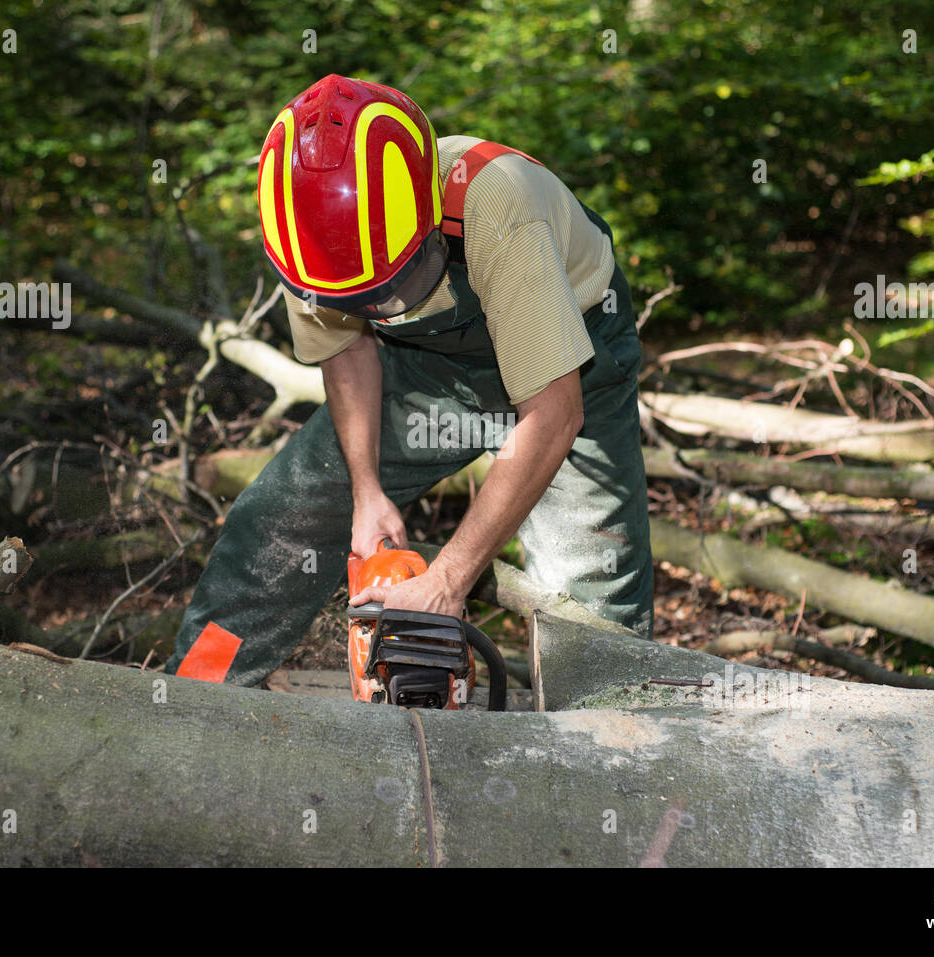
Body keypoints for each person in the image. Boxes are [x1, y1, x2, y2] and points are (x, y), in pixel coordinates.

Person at [166, 74, 653, 685]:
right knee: (275, 522)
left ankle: (615, 748)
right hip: (420, 368)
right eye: (362, 300)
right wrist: (366, 491)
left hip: (575, 357)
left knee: (589, 595)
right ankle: (195, 696)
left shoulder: (495, 202)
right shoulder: (308, 235)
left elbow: (553, 415)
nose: (382, 308)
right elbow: (346, 351)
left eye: (392, 289)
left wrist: (449, 579)